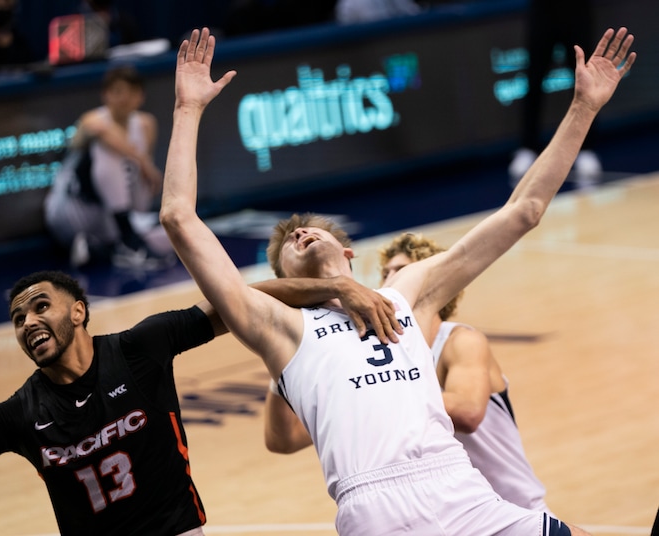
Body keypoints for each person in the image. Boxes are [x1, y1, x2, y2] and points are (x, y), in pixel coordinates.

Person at [160, 26, 635, 535]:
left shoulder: (406, 294)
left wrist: (584, 107)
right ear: (284, 280)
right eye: (286, 248)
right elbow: (178, 218)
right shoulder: (281, 327)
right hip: (376, 506)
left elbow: (525, 210)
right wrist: (188, 111)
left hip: (460, 489)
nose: (297, 232)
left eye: (307, 229)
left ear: (346, 250)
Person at [0, 269, 399, 536]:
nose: (28, 322)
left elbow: (241, 302)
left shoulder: (138, 349)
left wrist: (338, 286)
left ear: (77, 312)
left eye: (39, 307)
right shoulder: (16, 412)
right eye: (18, 319)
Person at [265, 231, 552, 513]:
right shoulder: (368, 356)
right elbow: (284, 439)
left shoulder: (460, 341)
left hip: (511, 507)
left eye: (401, 270)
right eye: (386, 273)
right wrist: (286, 363)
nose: (390, 280)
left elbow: (468, 412)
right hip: (439, 511)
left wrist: (377, 388)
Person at [44, 64, 172, 270]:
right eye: (118, 91)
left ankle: (105, 248)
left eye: (132, 92)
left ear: (141, 96)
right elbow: (102, 131)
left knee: (173, 238)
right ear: (105, 95)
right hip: (72, 212)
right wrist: (144, 162)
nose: (125, 98)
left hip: (109, 218)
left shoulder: (146, 124)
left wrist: (144, 167)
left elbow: (143, 183)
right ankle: (123, 242)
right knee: (108, 150)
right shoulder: (92, 120)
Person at [509, 0, 601, 184]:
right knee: (534, 79)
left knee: (584, 80)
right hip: (543, 11)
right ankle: (528, 147)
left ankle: (586, 148)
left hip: (577, 11)